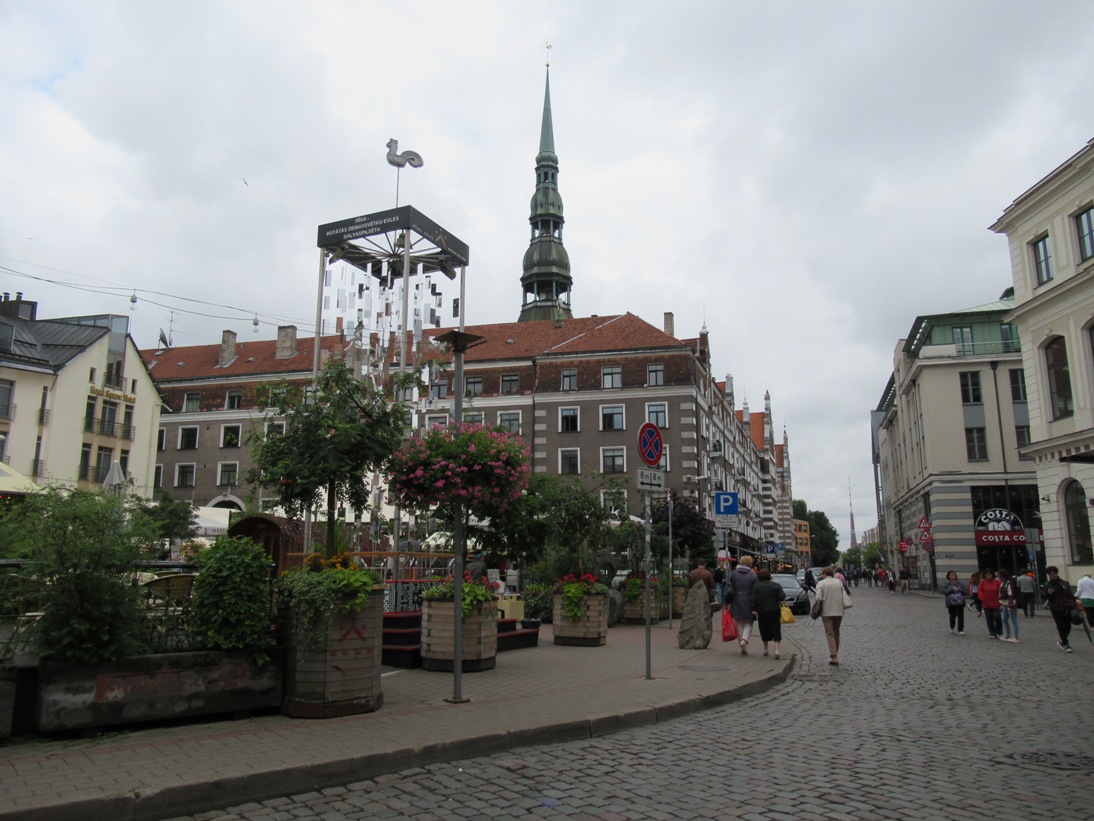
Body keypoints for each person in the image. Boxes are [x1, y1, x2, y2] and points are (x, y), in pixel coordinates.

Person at [724, 555, 758, 655]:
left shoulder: (733, 574)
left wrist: (726, 603)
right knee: (749, 623)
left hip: (735, 602)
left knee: (738, 624)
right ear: (750, 564)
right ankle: (744, 639)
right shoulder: (753, 576)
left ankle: (742, 645)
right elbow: (755, 591)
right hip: (749, 602)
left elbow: (728, 589)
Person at [749, 568, 786, 659]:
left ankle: (765, 649)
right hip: (774, 610)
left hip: (762, 611)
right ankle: (777, 650)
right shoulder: (776, 585)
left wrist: (753, 609)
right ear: (769, 576)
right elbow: (782, 596)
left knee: (764, 629)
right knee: (776, 629)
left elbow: (752, 599)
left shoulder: (755, 586)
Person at [815, 566, 846, 665]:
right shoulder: (838, 582)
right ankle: (835, 653)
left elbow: (818, 598)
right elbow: (843, 594)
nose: (821, 575)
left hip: (827, 611)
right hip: (838, 610)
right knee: (836, 632)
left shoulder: (821, 583)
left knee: (829, 633)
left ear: (825, 574)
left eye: (822, 574)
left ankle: (834, 656)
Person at [1043, 566, 1075, 653]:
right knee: (1061, 626)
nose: (1053, 575)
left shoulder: (1064, 583)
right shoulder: (1047, 585)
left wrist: (1075, 601)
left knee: (1068, 626)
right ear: (1048, 575)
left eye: (1054, 573)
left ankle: (1062, 640)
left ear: (1057, 573)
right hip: (1055, 607)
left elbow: (1070, 595)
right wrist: (1048, 593)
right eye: (1051, 574)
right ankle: (1065, 644)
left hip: (1066, 606)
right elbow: (1044, 596)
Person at [979, 570, 1002, 639]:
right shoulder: (983, 583)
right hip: (986, 603)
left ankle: (999, 631)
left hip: (996, 603)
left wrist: (1000, 599)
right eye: (987, 575)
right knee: (989, 619)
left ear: (992, 575)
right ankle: (992, 632)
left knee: (998, 617)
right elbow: (980, 592)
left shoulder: (997, 582)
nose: (988, 576)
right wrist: (983, 599)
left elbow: (1000, 591)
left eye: (990, 575)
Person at [997, 570, 1019, 643]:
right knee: (1004, 619)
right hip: (1004, 603)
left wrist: (1010, 605)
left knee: (1013, 620)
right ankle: (1008, 635)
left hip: (1010, 603)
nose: (998, 577)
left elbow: (1010, 595)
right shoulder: (1003, 583)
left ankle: (1016, 637)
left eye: (999, 576)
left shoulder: (1009, 583)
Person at [942, 570, 965, 635]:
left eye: (954, 574)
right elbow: (943, 591)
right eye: (952, 574)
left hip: (960, 601)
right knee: (952, 615)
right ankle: (952, 627)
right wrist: (952, 589)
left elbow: (965, 591)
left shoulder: (959, 583)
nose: (953, 575)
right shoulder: (946, 583)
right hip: (951, 601)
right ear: (948, 576)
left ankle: (961, 629)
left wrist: (958, 589)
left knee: (960, 616)